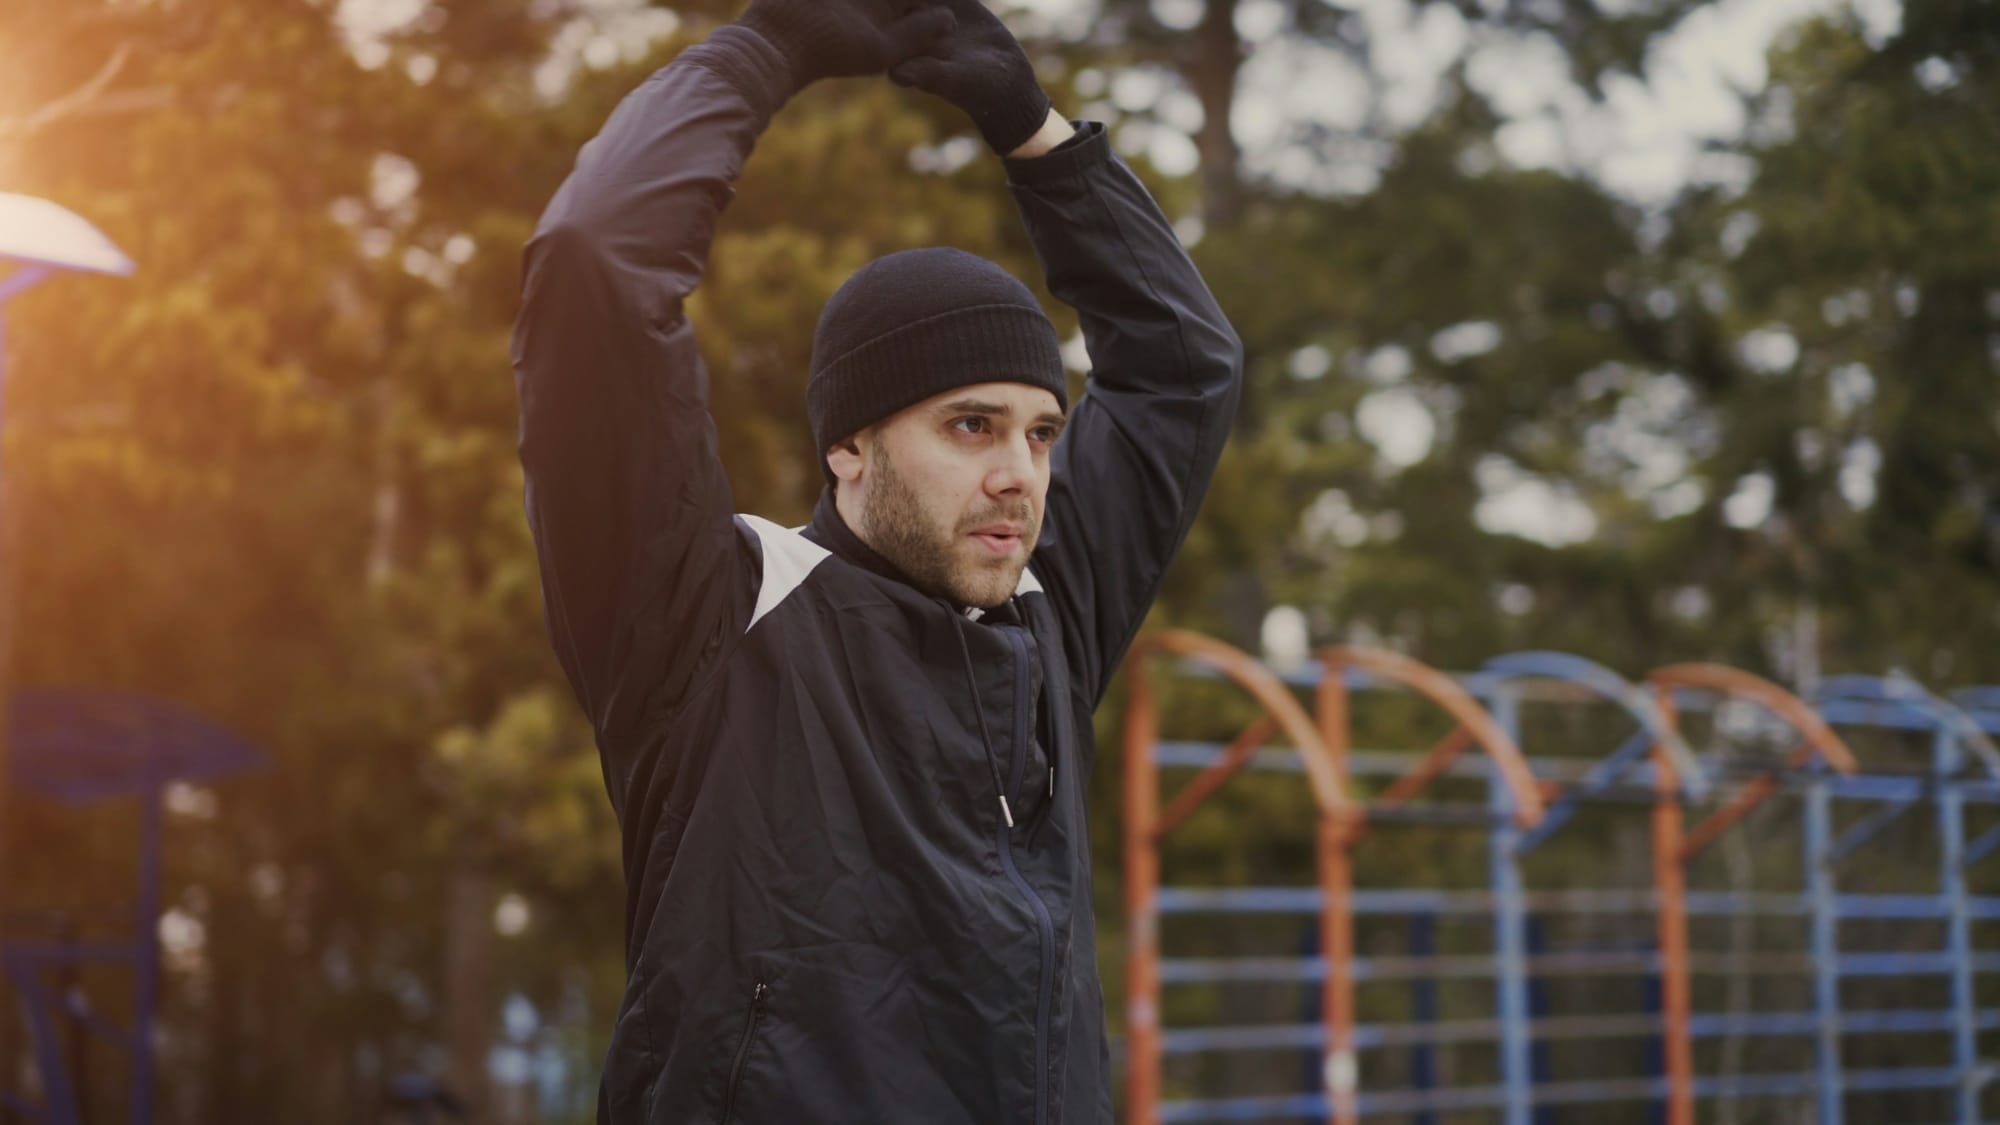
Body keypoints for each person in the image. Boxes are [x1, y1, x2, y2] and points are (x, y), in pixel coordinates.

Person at [511, 0, 1241, 1120]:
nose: (1021, 474)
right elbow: (596, 257)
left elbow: (1183, 367)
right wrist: (767, 52)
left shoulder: (1047, 607)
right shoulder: (709, 621)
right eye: (969, 426)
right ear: (847, 446)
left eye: (1041, 432)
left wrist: (1035, 134)